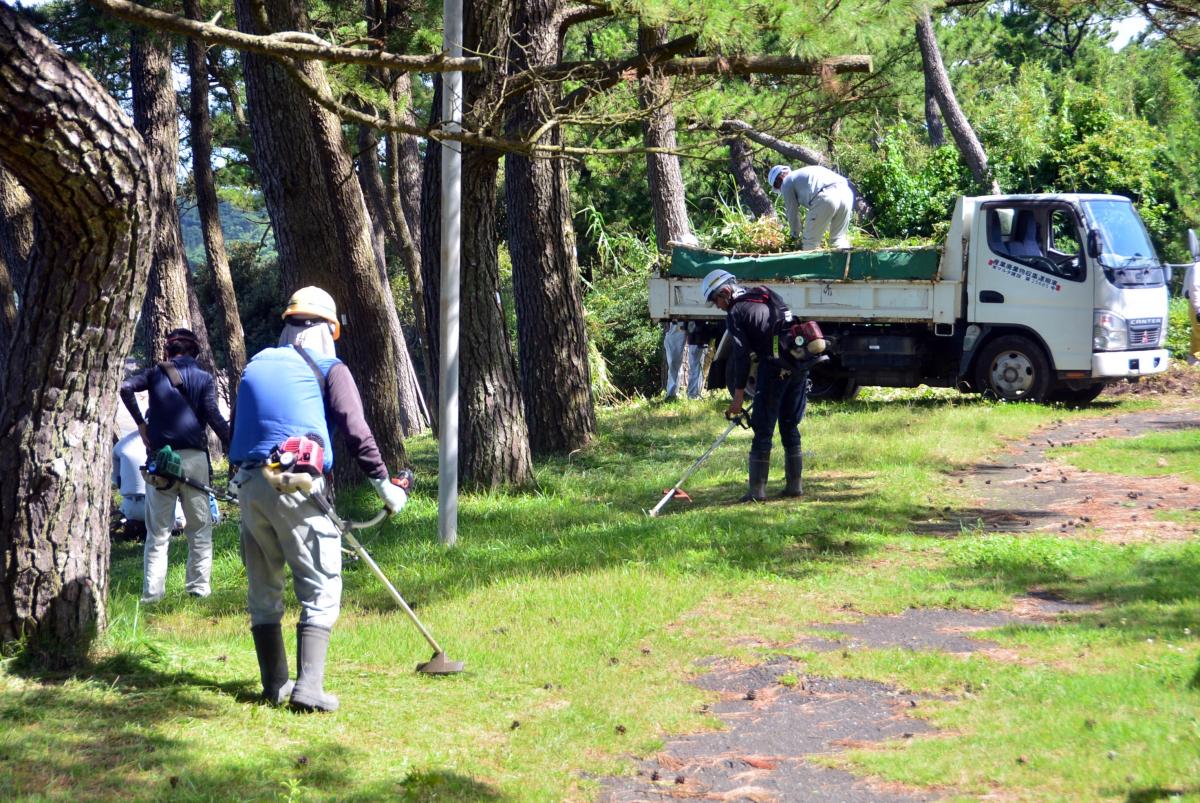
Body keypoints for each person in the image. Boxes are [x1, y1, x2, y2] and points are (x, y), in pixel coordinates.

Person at [228, 286, 411, 712]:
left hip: (250, 485)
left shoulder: (256, 364)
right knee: (321, 582)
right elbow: (354, 426)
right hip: (296, 483)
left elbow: (242, 429)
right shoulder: (331, 366)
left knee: (264, 585)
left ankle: (275, 686)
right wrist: (383, 484)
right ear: (328, 329)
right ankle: (309, 690)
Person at [119, 328, 230, 603]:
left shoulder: (156, 373)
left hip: (162, 461)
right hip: (194, 459)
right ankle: (198, 589)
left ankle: (152, 596)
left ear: (168, 351)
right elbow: (215, 418)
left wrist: (142, 425)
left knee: (157, 532)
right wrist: (235, 444)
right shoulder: (204, 378)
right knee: (200, 528)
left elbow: (125, 387)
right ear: (195, 351)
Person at [700, 268, 810, 502]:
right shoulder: (763, 292)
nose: (718, 306)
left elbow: (740, 357)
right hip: (799, 361)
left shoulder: (736, 311)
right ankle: (794, 486)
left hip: (774, 368)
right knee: (789, 424)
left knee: (763, 429)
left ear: (726, 292)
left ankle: (757, 492)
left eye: (716, 300)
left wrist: (738, 398)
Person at [111, 426, 185, 541]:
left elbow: (116, 478)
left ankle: (137, 526)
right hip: (159, 503)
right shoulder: (171, 440)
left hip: (130, 507)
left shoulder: (121, 444)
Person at [768, 164, 855, 251]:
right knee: (838, 240)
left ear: (778, 181)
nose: (780, 189)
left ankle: (813, 264)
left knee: (810, 243)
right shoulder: (803, 173)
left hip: (826, 196)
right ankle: (847, 263)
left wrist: (794, 236)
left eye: (777, 187)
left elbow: (792, 213)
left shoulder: (786, 182)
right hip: (846, 193)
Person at [685, 320, 725, 400]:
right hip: (696, 340)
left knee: (698, 367)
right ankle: (692, 394)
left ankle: (695, 392)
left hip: (698, 340)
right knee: (695, 367)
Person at [663, 320, 686, 400]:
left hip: (682, 325)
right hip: (673, 328)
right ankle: (672, 392)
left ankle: (673, 392)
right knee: (673, 362)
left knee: (676, 364)